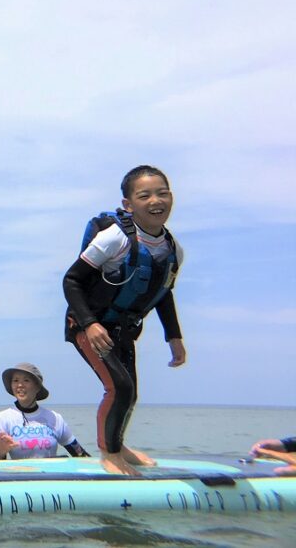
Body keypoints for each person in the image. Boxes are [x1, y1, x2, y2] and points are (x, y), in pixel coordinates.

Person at [63, 165, 186, 476]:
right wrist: (89, 324)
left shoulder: (173, 250)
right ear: (128, 205)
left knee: (130, 391)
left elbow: (163, 293)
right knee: (120, 387)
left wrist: (174, 338)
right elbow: (72, 280)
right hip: (89, 326)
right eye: (144, 195)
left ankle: (118, 445)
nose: (156, 200)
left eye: (163, 193)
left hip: (123, 331)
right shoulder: (114, 238)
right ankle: (110, 453)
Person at [0, 363, 89, 460]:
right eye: (16, 380)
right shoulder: (5, 418)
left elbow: (80, 454)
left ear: (37, 387)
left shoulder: (54, 418)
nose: (20, 385)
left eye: (26, 380)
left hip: (50, 477)